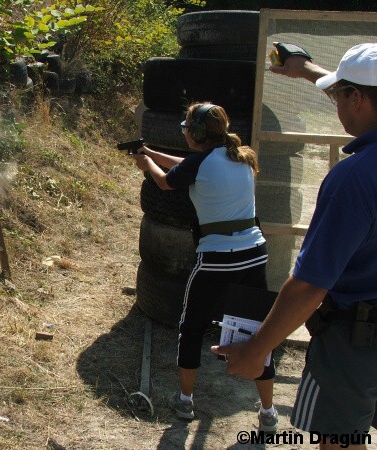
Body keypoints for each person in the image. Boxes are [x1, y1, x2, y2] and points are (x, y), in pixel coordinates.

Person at [212, 43, 377, 449]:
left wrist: (257, 348)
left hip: (356, 342)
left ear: (356, 98)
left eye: (340, 94)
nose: (335, 101)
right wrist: (305, 71)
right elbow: (351, 84)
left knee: (341, 439)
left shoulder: (354, 178)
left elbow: (309, 285)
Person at [132, 102, 278, 431]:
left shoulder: (203, 163)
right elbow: (189, 166)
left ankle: (184, 402)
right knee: (256, 331)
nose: (184, 131)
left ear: (197, 133)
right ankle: (268, 412)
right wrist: (151, 153)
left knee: (191, 326)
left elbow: (168, 182)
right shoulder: (237, 155)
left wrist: (146, 165)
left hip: (217, 258)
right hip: (254, 252)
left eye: (187, 127)